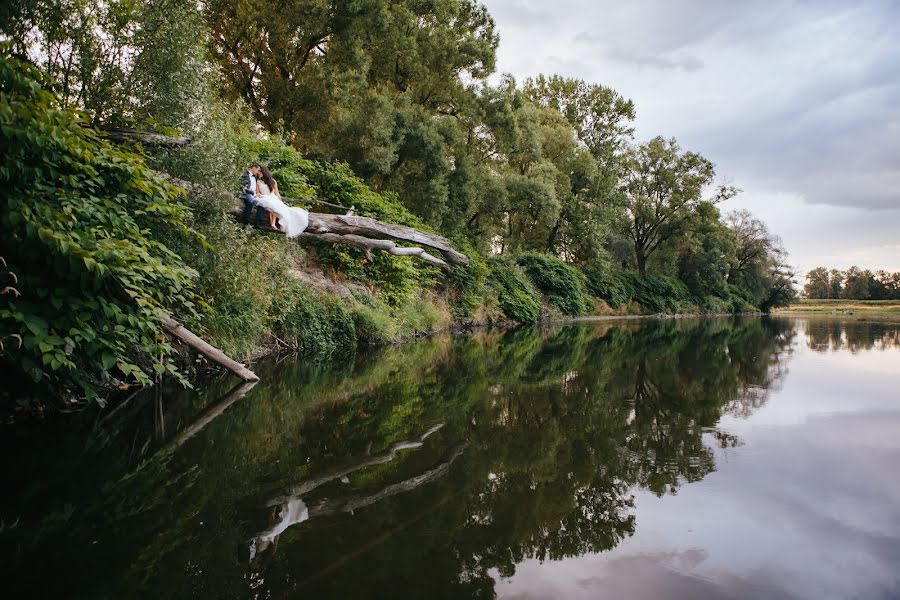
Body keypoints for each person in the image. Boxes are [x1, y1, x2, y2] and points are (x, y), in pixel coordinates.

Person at [254, 165, 310, 238]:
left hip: (271, 197)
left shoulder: (272, 181)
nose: (258, 173)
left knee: (275, 204)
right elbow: (257, 192)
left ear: (263, 172)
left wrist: (280, 200)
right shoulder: (258, 182)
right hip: (264, 197)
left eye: (259, 172)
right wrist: (259, 195)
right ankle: (272, 223)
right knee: (270, 204)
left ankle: (273, 223)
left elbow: (276, 193)